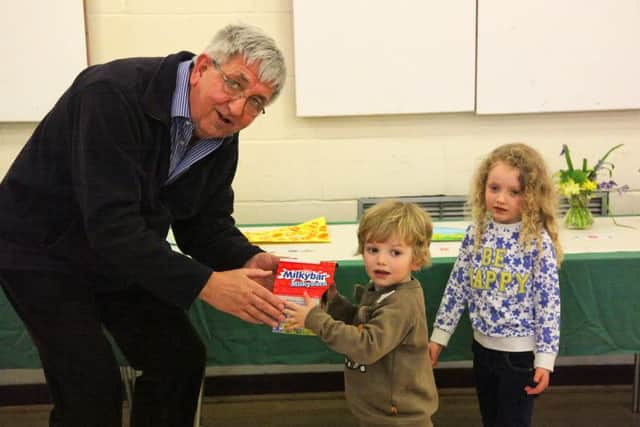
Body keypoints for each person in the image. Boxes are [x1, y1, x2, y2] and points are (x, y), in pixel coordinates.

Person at [0, 24, 286, 427]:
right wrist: (208, 284)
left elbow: (204, 225)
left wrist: (252, 258)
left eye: (257, 102)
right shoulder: (111, 94)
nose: (239, 109)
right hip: (40, 252)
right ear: (203, 66)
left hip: (120, 252)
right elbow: (111, 224)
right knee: (91, 385)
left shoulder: (222, 132)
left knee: (179, 360)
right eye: (235, 85)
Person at [429, 143, 563, 427]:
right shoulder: (476, 232)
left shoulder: (537, 242)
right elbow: (457, 287)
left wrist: (545, 359)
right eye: (494, 188)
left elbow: (549, 305)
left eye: (514, 192)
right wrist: (439, 337)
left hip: (519, 357)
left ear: (531, 196)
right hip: (482, 350)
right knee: (490, 419)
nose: (501, 199)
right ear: (482, 188)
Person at [284, 199, 439, 427]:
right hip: (379, 412)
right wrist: (332, 301)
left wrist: (315, 319)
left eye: (395, 252)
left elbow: (366, 346)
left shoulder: (401, 304)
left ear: (416, 260)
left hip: (399, 419)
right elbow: (361, 322)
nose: (381, 260)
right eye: (373, 249)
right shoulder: (382, 289)